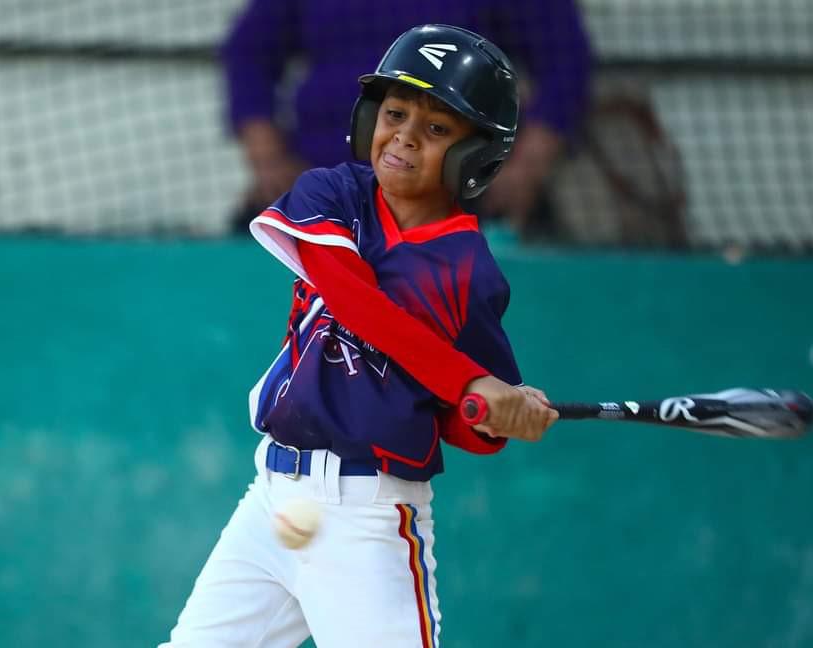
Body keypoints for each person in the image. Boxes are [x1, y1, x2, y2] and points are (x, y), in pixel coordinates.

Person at [162, 25, 558, 647]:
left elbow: (460, 417)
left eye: (435, 129)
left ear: (474, 155)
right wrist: (469, 381)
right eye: (394, 113)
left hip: (367, 517)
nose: (402, 137)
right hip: (274, 499)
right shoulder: (335, 193)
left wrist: (497, 416)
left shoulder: (468, 271)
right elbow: (354, 302)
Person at [221, 2, 592, 239]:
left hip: (457, 195)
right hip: (329, 187)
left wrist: (525, 169)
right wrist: (268, 156)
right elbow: (248, 52)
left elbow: (566, 60)